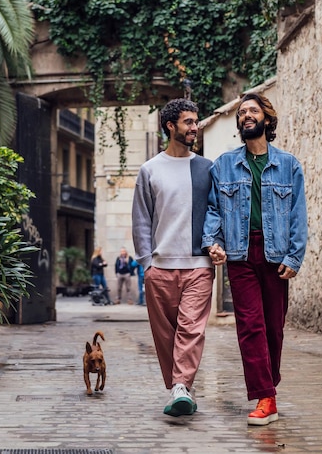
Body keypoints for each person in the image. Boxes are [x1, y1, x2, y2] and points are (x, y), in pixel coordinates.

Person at [202, 93, 307, 426]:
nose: (246, 115)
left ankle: (268, 389)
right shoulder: (224, 165)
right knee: (250, 326)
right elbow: (214, 210)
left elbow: (297, 214)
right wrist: (212, 243)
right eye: (242, 112)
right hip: (240, 253)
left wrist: (295, 255)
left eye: (252, 111)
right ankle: (265, 397)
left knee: (274, 328)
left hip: (276, 255)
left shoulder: (289, 165)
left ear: (267, 119)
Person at [132, 98, 226, 418]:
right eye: (188, 122)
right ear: (170, 126)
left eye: (195, 122)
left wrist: (215, 243)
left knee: (191, 329)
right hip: (160, 267)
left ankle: (181, 386)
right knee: (165, 335)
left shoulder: (207, 168)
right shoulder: (150, 170)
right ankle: (179, 385)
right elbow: (141, 219)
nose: (194, 127)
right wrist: (147, 263)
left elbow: (217, 212)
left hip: (198, 265)